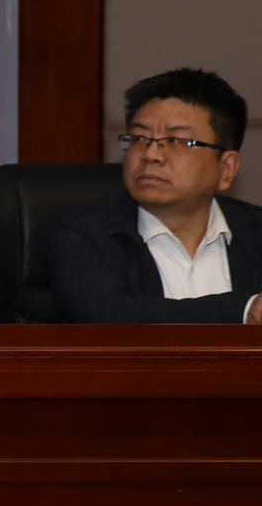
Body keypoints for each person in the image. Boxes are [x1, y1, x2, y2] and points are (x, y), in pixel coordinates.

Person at [51, 69, 261, 324]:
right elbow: (107, 317)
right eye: (139, 138)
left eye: (177, 140)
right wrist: (243, 310)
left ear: (226, 168)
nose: (150, 154)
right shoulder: (86, 234)